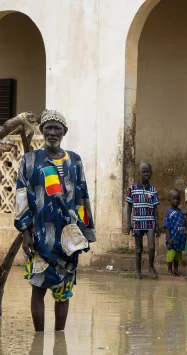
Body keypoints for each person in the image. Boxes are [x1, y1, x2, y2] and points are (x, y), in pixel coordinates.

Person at [14, 110, 96, 332]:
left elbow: (82, 195)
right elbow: (22, 195)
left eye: (56, 128)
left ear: (64, 132)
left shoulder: (75, 160)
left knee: (64, 292)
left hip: (68, 236)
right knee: (38, 288)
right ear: (42, 131)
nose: (52, 132)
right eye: (48, 128)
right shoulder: (30, 160)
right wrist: (25, 232)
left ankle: (60, 337)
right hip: (40, 236)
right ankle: (39, 338)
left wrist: (85, 232)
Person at [125, 162, 160, 279]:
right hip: (137, 222)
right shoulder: (132, 188)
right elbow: (129, 207)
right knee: (138, 248)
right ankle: (138, 271)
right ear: (139, 172)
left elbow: (155, 209)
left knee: (151, 246)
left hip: (150, 221)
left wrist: (157, 223)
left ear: (151, 173)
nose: (146, 174)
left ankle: (150, 267)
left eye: (148, 171)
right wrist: (128, 222)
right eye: (144, 171)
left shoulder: (153, 190)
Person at [164, 189, 187, 276]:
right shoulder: (169, 212)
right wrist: (169, 238)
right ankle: (169, 270)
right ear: (169, 199)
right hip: (172, 238)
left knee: (178, 254)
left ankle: (176, 270)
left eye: (178, 199)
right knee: (171, 253)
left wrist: (186, 233)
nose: (176, 201)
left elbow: (184, 224)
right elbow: (167, 226)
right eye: (174, 199)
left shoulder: (181, 212)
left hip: (180, 238)